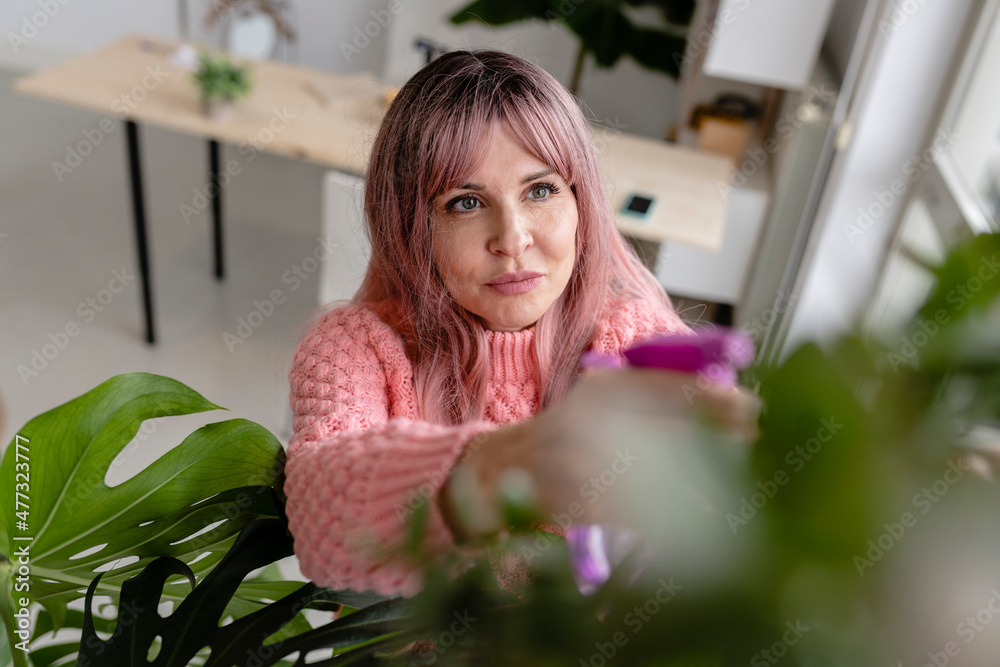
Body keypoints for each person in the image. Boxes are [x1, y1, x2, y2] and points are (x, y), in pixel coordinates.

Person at [283, 49, 755, 598]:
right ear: (410, 227)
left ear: (582, 203)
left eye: (539, 190)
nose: (512, 238)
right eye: (464, 203)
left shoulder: (636, 341)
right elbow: (323, 520)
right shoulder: (354, 348)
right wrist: (509, 465)